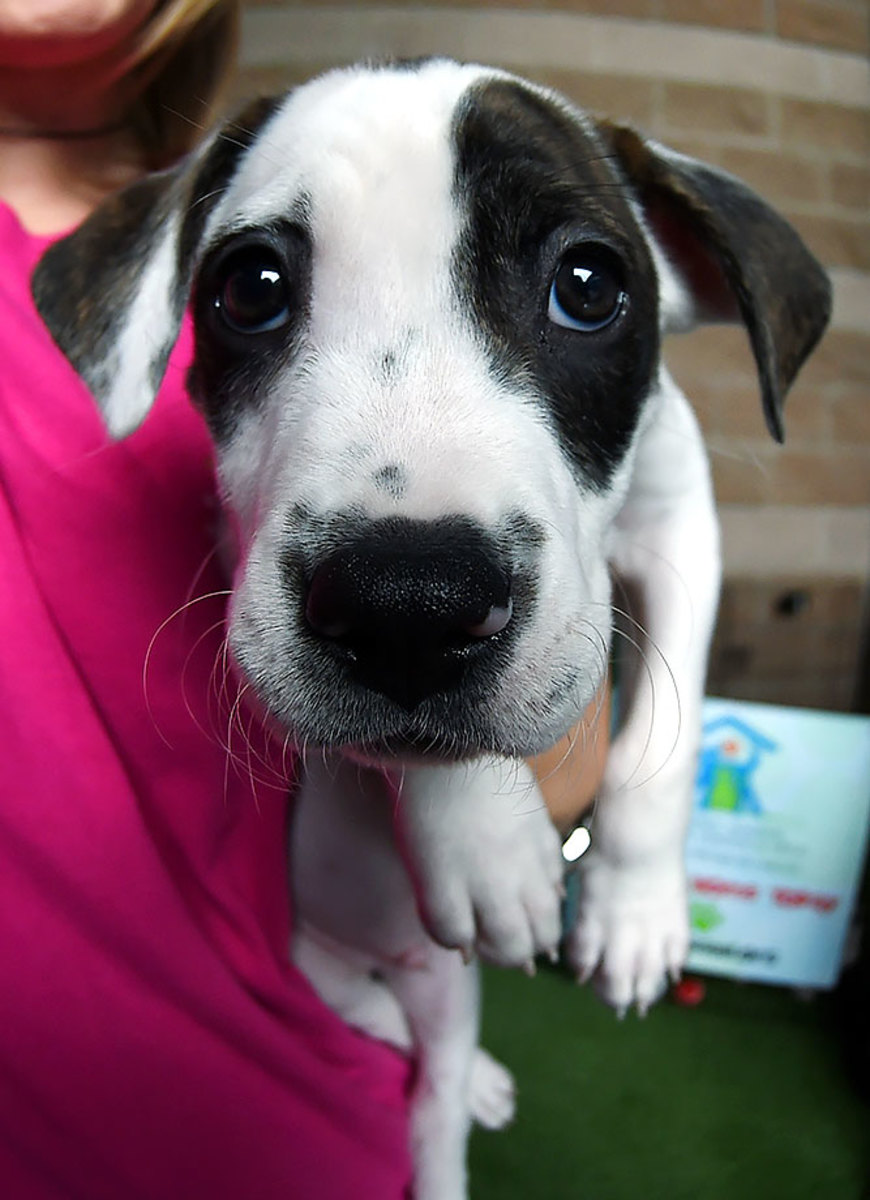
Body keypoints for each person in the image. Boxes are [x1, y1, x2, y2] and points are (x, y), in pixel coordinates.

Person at [0, 4, 607, 1196]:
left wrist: (517, 798)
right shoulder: (219, 221)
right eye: (259, 289)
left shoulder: (322, 173)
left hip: (313, 1102)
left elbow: (562, 781)